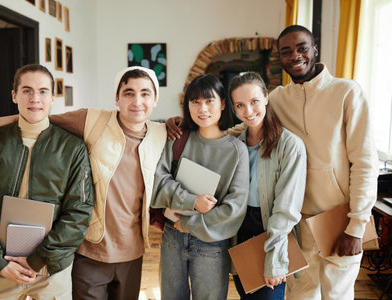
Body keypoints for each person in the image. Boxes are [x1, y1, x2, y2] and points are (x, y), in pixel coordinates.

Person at [0, 66, 167, 300]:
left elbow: (77, 210)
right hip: (81, 251)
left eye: (145, 93)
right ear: (117, 97)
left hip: (74, 259)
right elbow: (39, 116)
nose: (137, 101)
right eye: (129, 93)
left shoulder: (161, 133)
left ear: (155, 99)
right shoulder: (90, 120)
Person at [0, 64, 94, 300]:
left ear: (53, 98)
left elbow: (79, 212)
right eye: (27, 91)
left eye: (43, 91)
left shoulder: (73, 149)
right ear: (14, 95)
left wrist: (38, 260)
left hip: (51, 268)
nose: (35, 98)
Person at [270, 25, 378, 300]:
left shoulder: (347, 92)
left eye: (302, 48)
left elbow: (365, 162)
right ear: (280, 58)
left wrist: (356, 227)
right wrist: (185, 125)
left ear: (315, 50)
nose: (295, 56)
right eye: (286, 51)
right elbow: (247, 130)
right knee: (298, 297)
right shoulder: (277, 100)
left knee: (338, 297)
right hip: (299, 222)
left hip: (340, 219)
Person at [151, 74, 250, 300]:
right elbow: (158, 181)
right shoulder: (177, 138)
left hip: (212, 241)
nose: (202, 108)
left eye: (209, 101)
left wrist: (190, 223)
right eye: (195, 102)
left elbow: (235, 208)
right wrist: (192, 201)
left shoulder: (237, 151)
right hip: (172, 236)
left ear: (223, 103)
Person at [228, 72, 306, 299]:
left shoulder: (290, 145)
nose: (248, 111)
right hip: (241, 233)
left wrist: (275, 259)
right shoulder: (235, 144)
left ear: (266, 97)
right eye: (240, 105)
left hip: (272, 234)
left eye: (254, 102)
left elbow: (286, 209)